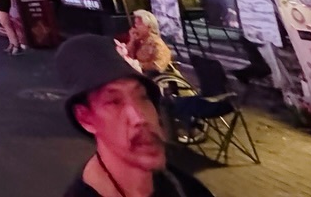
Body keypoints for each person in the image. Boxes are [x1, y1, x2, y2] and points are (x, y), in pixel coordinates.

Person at [55, 35, 216, 197]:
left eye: (143, 97)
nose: (139, 118)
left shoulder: (184, 188)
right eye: (114, 102)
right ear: (85, 118)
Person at [124, 10, 174, 76]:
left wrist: (139, 65)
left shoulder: (157, 44)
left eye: (139, 24)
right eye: (135, 23)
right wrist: (132, 40)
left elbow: (158, 65)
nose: (135, 27)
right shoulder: (140, 41)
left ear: (149, 27)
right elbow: (127, 55)